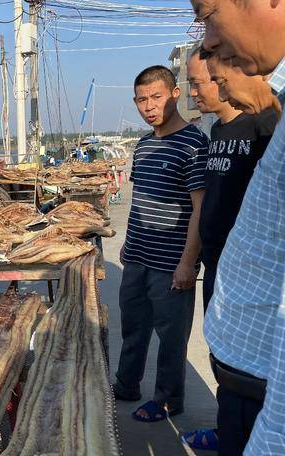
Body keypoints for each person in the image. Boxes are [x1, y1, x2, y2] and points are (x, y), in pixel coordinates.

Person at [190, 0, 285, 454]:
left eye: (209, 15)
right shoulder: (220, 133)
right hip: (245, 349)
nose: (210, 41)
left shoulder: (267, 125)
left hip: (265, 376)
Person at [113, 65, 208, 423]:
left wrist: (188, 262)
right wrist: (128, 242)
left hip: (171, 262)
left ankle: (168, 400)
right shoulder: (142, 145)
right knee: (133, 327)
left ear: (174, 94)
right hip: (137, 256)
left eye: (156, 96)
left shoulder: (195, 144)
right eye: (141, 99)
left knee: (171, 337)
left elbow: (200, 208)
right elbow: (140, 198)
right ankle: (126, 385)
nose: (149, 106)